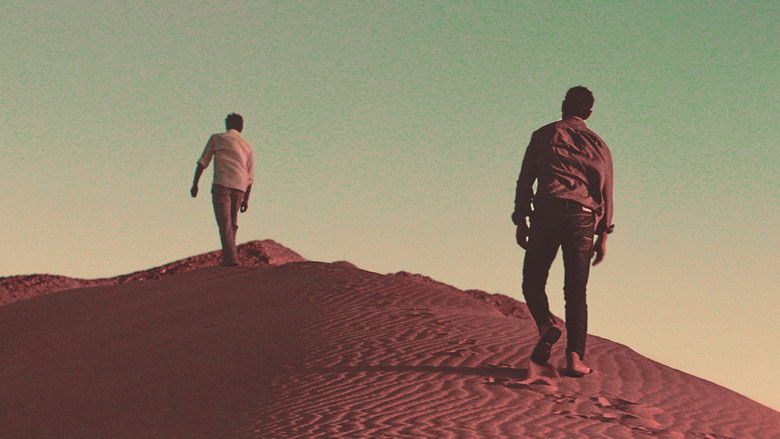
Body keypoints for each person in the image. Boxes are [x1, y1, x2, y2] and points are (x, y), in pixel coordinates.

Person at [512, 86, 614, 376]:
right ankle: (574, 358)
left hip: (547, 211)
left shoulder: (544, 134)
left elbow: (525, 180)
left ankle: (546, 325)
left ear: (563, 105)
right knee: (576, 291)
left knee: (533, 281)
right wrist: (603, 235)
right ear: (589, 113)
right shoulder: (600, 146)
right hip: (583, 218)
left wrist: (521, 218)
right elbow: (607, 192)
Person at [191, 113, 255, 266]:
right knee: (231, 223)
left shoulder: (217, 138)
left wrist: (195, 184)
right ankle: (230, 257)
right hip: (240, 187)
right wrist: (246, 198)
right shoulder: (247, 146)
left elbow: (202, 162)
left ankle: (231, 260)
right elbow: (250, 176)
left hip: (222, 183)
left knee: (224, 223)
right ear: (241, 127)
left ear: (227, 124)